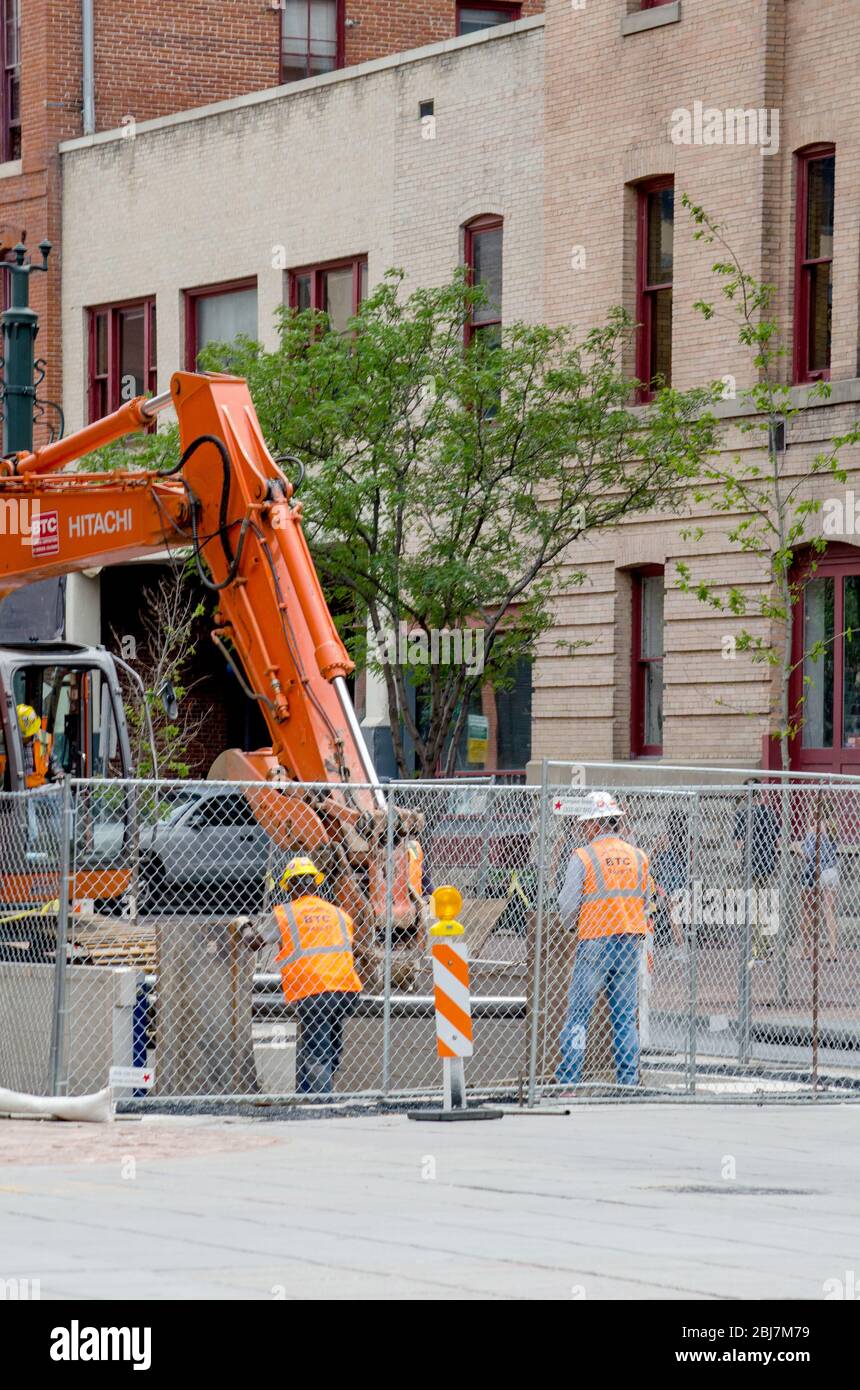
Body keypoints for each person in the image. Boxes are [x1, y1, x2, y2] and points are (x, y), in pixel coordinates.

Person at [238, 856, 362, 1095]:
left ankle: (322, 1105)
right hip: (346, 990)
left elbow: (254, 943)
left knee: (318, 1053)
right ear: (315, 884)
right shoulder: (339, 913)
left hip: (313, 991)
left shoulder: (286, 914)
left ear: (290, 886)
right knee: (329, 1046)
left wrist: (243, 924)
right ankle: (307, 1095)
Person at [555, 791, 650, 1090]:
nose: (583, 829)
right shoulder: (638, 856)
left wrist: (570, 926)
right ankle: (628, 1081)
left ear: (594, 824)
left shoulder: (583, 856)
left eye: (585, 824)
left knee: (579, 1015)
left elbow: (569, 904)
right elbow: (644, 900)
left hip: (595, 939)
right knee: (623, 1017)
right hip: (630, 941)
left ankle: (569, 1081)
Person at [733, 779, 780, 962]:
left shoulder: (742, 814)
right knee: (764, 905)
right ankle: (767, 944)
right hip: (767, 864)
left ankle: (759, 950)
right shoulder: (769, 813)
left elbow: (739, 844)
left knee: (754, 908)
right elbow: (778, 841)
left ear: (746, 795)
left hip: (751, 864)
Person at [797, 813, 840, 962]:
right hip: (832, 871)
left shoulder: (812, 832)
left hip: (814, 873)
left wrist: (798, 848)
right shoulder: (833, 832)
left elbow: (809, 855)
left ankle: (806, 950)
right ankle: (833, 950)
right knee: (829, 913)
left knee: (807, 912)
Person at [650, 810, 689, 953]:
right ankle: (678, 946)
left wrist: (657, 850)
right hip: (681, 880)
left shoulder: (665, 839)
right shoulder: (687, 840)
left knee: (674, 918)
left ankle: (681, 948)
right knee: (676, 916)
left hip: (669, 882)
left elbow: (652, 856)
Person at [3, 704, 62, 790]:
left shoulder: (44, 739)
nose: (28, 737)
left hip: (41, 789)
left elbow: (53, 760)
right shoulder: (9, 744)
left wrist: (59, 773)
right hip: (19, 791)